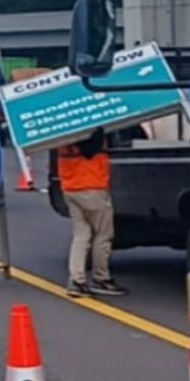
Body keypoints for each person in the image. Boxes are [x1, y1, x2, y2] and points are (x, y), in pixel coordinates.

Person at [57, 128, 126, 298]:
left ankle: (77, 281)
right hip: (91, 185)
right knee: (103, 235)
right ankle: (101, 278)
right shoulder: (88, 128)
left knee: (81, 235)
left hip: (70, 186)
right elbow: (90, 148)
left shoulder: (59, 131)